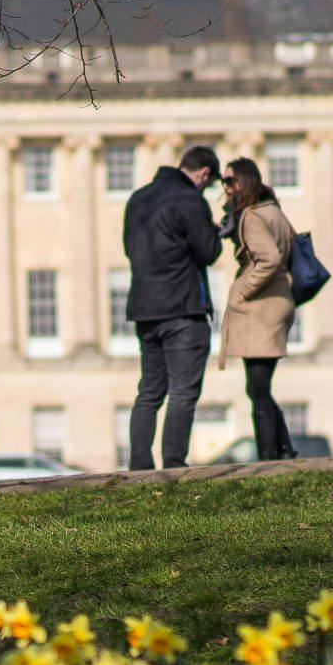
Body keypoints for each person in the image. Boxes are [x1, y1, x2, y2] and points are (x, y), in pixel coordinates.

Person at [122, 143, 222, 469]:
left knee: (149, 392)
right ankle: (174, 464)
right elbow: (207, 252)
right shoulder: (190, 200)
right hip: (182, 309)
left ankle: (139, 465)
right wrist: (217, 233)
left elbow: (130, 249)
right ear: (205, 173)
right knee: (182, 391)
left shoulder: (137, 199)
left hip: (145, 309)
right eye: (209, 184)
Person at [216, 156, 297, 459]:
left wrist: (242, 291)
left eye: (229, 181)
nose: (225, 188)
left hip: (261, 308)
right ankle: (283, 448)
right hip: (278, 303)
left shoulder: (252, 216)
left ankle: (269, 456)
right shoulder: (272, 209)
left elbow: (269, 259)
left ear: (244, 182)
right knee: (260, 386)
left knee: (257, 388)